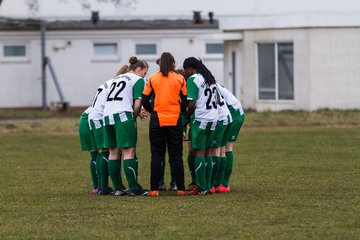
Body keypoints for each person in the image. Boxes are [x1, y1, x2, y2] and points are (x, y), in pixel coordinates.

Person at [142, 52, 187, 197]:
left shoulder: (153, 78)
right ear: (173, 63)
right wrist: (178, 110)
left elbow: (144, 99)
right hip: (174, 119)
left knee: (157, 155)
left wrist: (153, 110)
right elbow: (185, 100)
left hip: (157, 120)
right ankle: (180, 189)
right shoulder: (180, 78)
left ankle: (154, 189)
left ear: (160, 64)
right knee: (176, 155)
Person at [103, 56, 149, 196]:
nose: (144, 76)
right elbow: (137, 104)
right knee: (129, 152)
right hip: (123, 116)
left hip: (107, 116)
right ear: (139, 69)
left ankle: (118, 188)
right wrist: (134, 116)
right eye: (144, 72)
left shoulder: (116, 79)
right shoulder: (138, 80)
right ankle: (134, 188)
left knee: (113, 152)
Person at [88, 64, 129, 196]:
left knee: (102, 152)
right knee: (106, 152)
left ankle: (103, 186)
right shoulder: (120, 83)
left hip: (94, 117)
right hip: (101, 119)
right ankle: (104, 186)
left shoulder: (108, 82)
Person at [183, 57, 219, 196]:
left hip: (201, 119)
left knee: (198, 152)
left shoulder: (193, 79)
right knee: (208, 153)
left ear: (190, 69)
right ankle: (209, 186)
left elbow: (192, 104)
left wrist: (187, 117)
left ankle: (202, 187)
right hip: (213, 119)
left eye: (186, 70)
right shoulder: (210, 79)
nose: (186, 73)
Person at [213, 84, 245, 192]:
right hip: (231, 113)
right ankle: (220, 183)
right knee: (222, 149)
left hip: (234, 114)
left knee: (226, 148)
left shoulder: (204, 83)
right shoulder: (208, 82)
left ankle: (224, 184)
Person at [78, 106, 98, 195]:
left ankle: (99, 186)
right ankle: (98, 187)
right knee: (98, 154)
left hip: (88, 119)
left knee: (99, 154)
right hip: (89, 121)